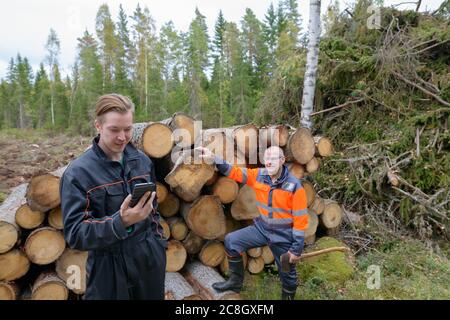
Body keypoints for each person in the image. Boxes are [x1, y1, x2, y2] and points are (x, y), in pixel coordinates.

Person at [60, 94, 167, 300]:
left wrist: (158, 244)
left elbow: (153, 209)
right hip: (107, 267)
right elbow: (75, 233)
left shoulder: (142, 161)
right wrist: (121, 222)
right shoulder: (79, 173)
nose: (122, 137)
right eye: (114, 130)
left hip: (148, 259)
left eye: (128, 129)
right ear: (98, 126)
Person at [197, 145, 308, 300]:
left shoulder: (294, 186)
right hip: (262, 229)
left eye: (273, 158)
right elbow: (234, 172)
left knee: (287, 274)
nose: (269, 162)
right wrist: (214, 157)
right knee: (231, 241)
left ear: (282, 160)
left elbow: (301, 221)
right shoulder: (259, 175)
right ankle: (235, 283)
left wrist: (296, 250)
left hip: (284, 237)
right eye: (267, 158)